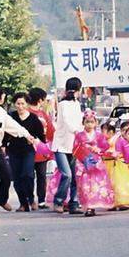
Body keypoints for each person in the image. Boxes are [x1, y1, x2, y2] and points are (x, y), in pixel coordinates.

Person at [0, 84, 31, 215]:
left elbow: (12, 125)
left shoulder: (0, 111)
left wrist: (26, 134)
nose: (4, 96)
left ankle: (1, 199)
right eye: (3, 94)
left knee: (6, 175)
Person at [6, 92, 48, 212]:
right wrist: (3, 146)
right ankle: (23, 203)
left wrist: (36, 142)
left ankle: (31, 199)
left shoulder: (34, 119)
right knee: (17, 178)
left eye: (22, 104)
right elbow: (5, 132)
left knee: (27, 175)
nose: (20, 106)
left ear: (27, 104)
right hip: (13, 151)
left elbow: (41, 136)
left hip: (28, 151)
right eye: (18, 104)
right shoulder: (11, 117)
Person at [51, 77, 85, 214]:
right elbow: (66, 121)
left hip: (74, 145)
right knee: (67, 174)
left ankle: (74, 203)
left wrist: (82, 134)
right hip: (61, 145)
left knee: (75, 176)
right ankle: (58, 200)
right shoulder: (63, 104)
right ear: (78, 89)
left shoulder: (77, 104)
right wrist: (76, 131)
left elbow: (78, 122)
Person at [27, 88, 55, 209]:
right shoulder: (39, 114)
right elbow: (51, 132)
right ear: (40, 100)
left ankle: (39, 199)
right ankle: (34, 199)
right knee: (35, 176)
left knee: (39, 175)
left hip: (39, 150)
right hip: (31, 149)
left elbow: (51, 131)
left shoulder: (42, 114)